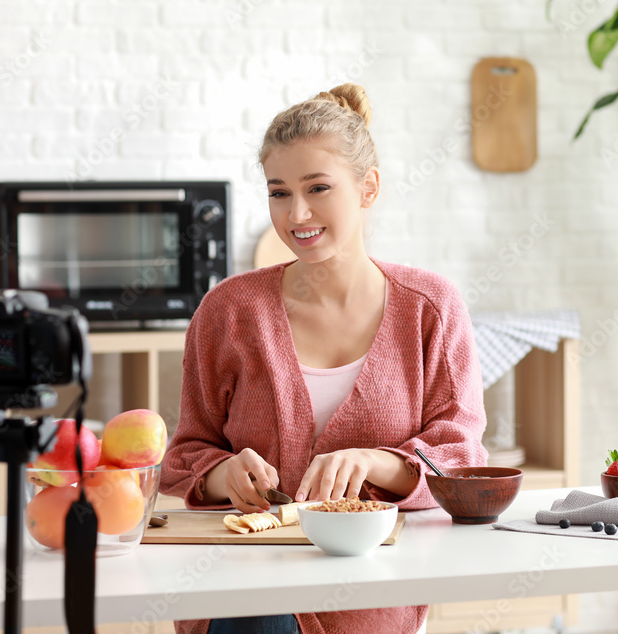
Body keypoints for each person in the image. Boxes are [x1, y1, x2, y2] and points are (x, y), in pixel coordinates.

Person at [160, 83, 488, 634]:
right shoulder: (228, 311)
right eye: (279, 193)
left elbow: (461, 461)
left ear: (368, 188)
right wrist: (222, 475)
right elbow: (185, 453)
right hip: (249, 587)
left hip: (374, 588)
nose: (298, 213)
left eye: (318, 188)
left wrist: (377, 462)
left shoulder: (430, 308)